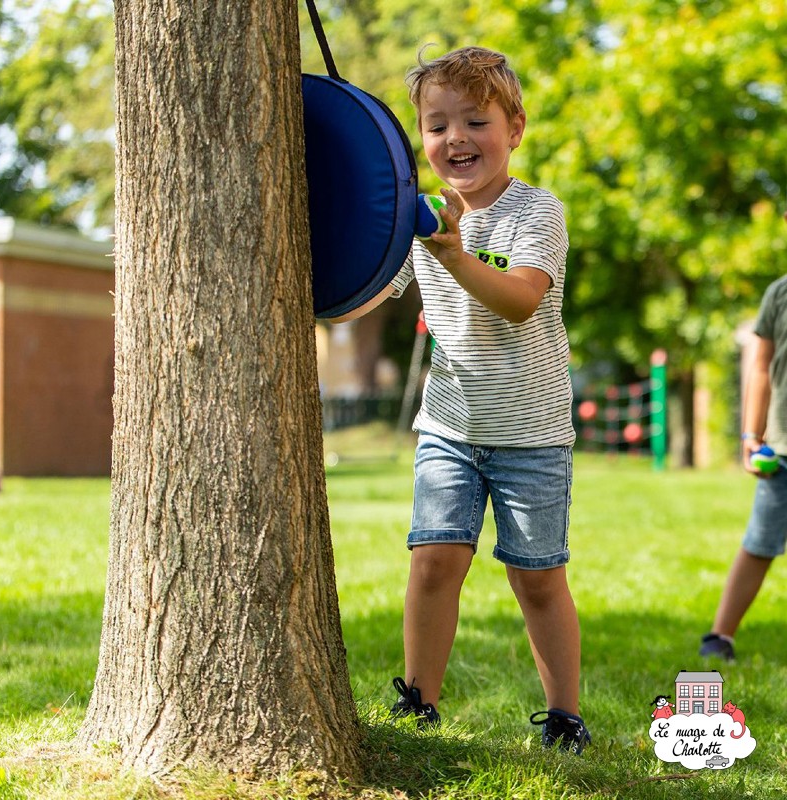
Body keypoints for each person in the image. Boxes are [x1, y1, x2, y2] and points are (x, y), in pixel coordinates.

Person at [334, 45, 590, 753]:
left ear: (516, 128)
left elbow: (519, 300)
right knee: (433, 562)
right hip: (449, 424)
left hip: (532, 432)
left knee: (537, 577)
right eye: (437, 124)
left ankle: (565, 716)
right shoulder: (414, 220)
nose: (455, 138)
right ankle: (419, 703)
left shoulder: (537, 212)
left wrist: (451, 252)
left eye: (475, 120)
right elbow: (364, 294)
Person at [700, 214, 787, 662]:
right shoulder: (779, 293)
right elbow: (760, 366)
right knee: (759, 542)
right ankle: (720, 636)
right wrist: (751, 434)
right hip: (783, 450)